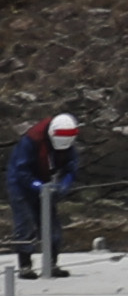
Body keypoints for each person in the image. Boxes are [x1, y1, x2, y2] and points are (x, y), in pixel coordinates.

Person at [7, 114, 75, 265]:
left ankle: (52, 263)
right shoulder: (31, 140)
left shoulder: (68, 144)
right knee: (25, 224)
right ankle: (25, 265)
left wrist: (63, 185)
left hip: (47, 184)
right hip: (21, 186)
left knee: (52, 225)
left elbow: (70, 168)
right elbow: (21, 170)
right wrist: (36, 185)